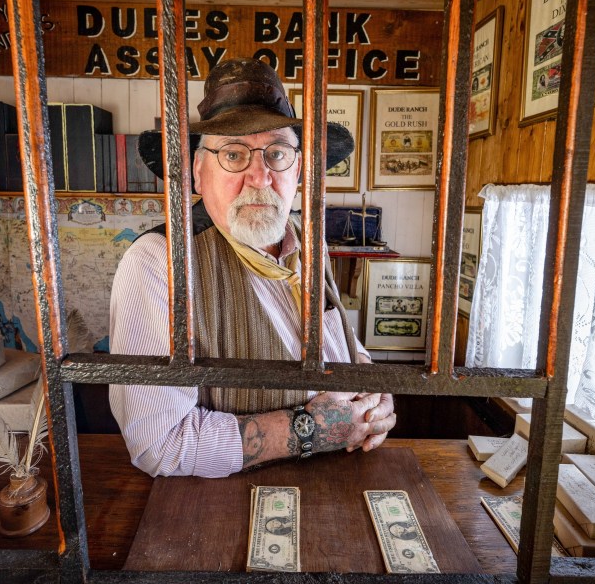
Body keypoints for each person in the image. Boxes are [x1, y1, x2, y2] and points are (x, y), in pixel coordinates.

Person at [109, 58, 396, 478]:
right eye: (233, 153)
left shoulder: (307, 243)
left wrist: (375, 396)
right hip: (226, 510)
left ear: (298, 167)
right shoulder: (157, 263)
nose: (259, 177)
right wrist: (314, 430)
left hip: (342, 481)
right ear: (196, 170)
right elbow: (160, 445)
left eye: (277, 153)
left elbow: (344, 346)